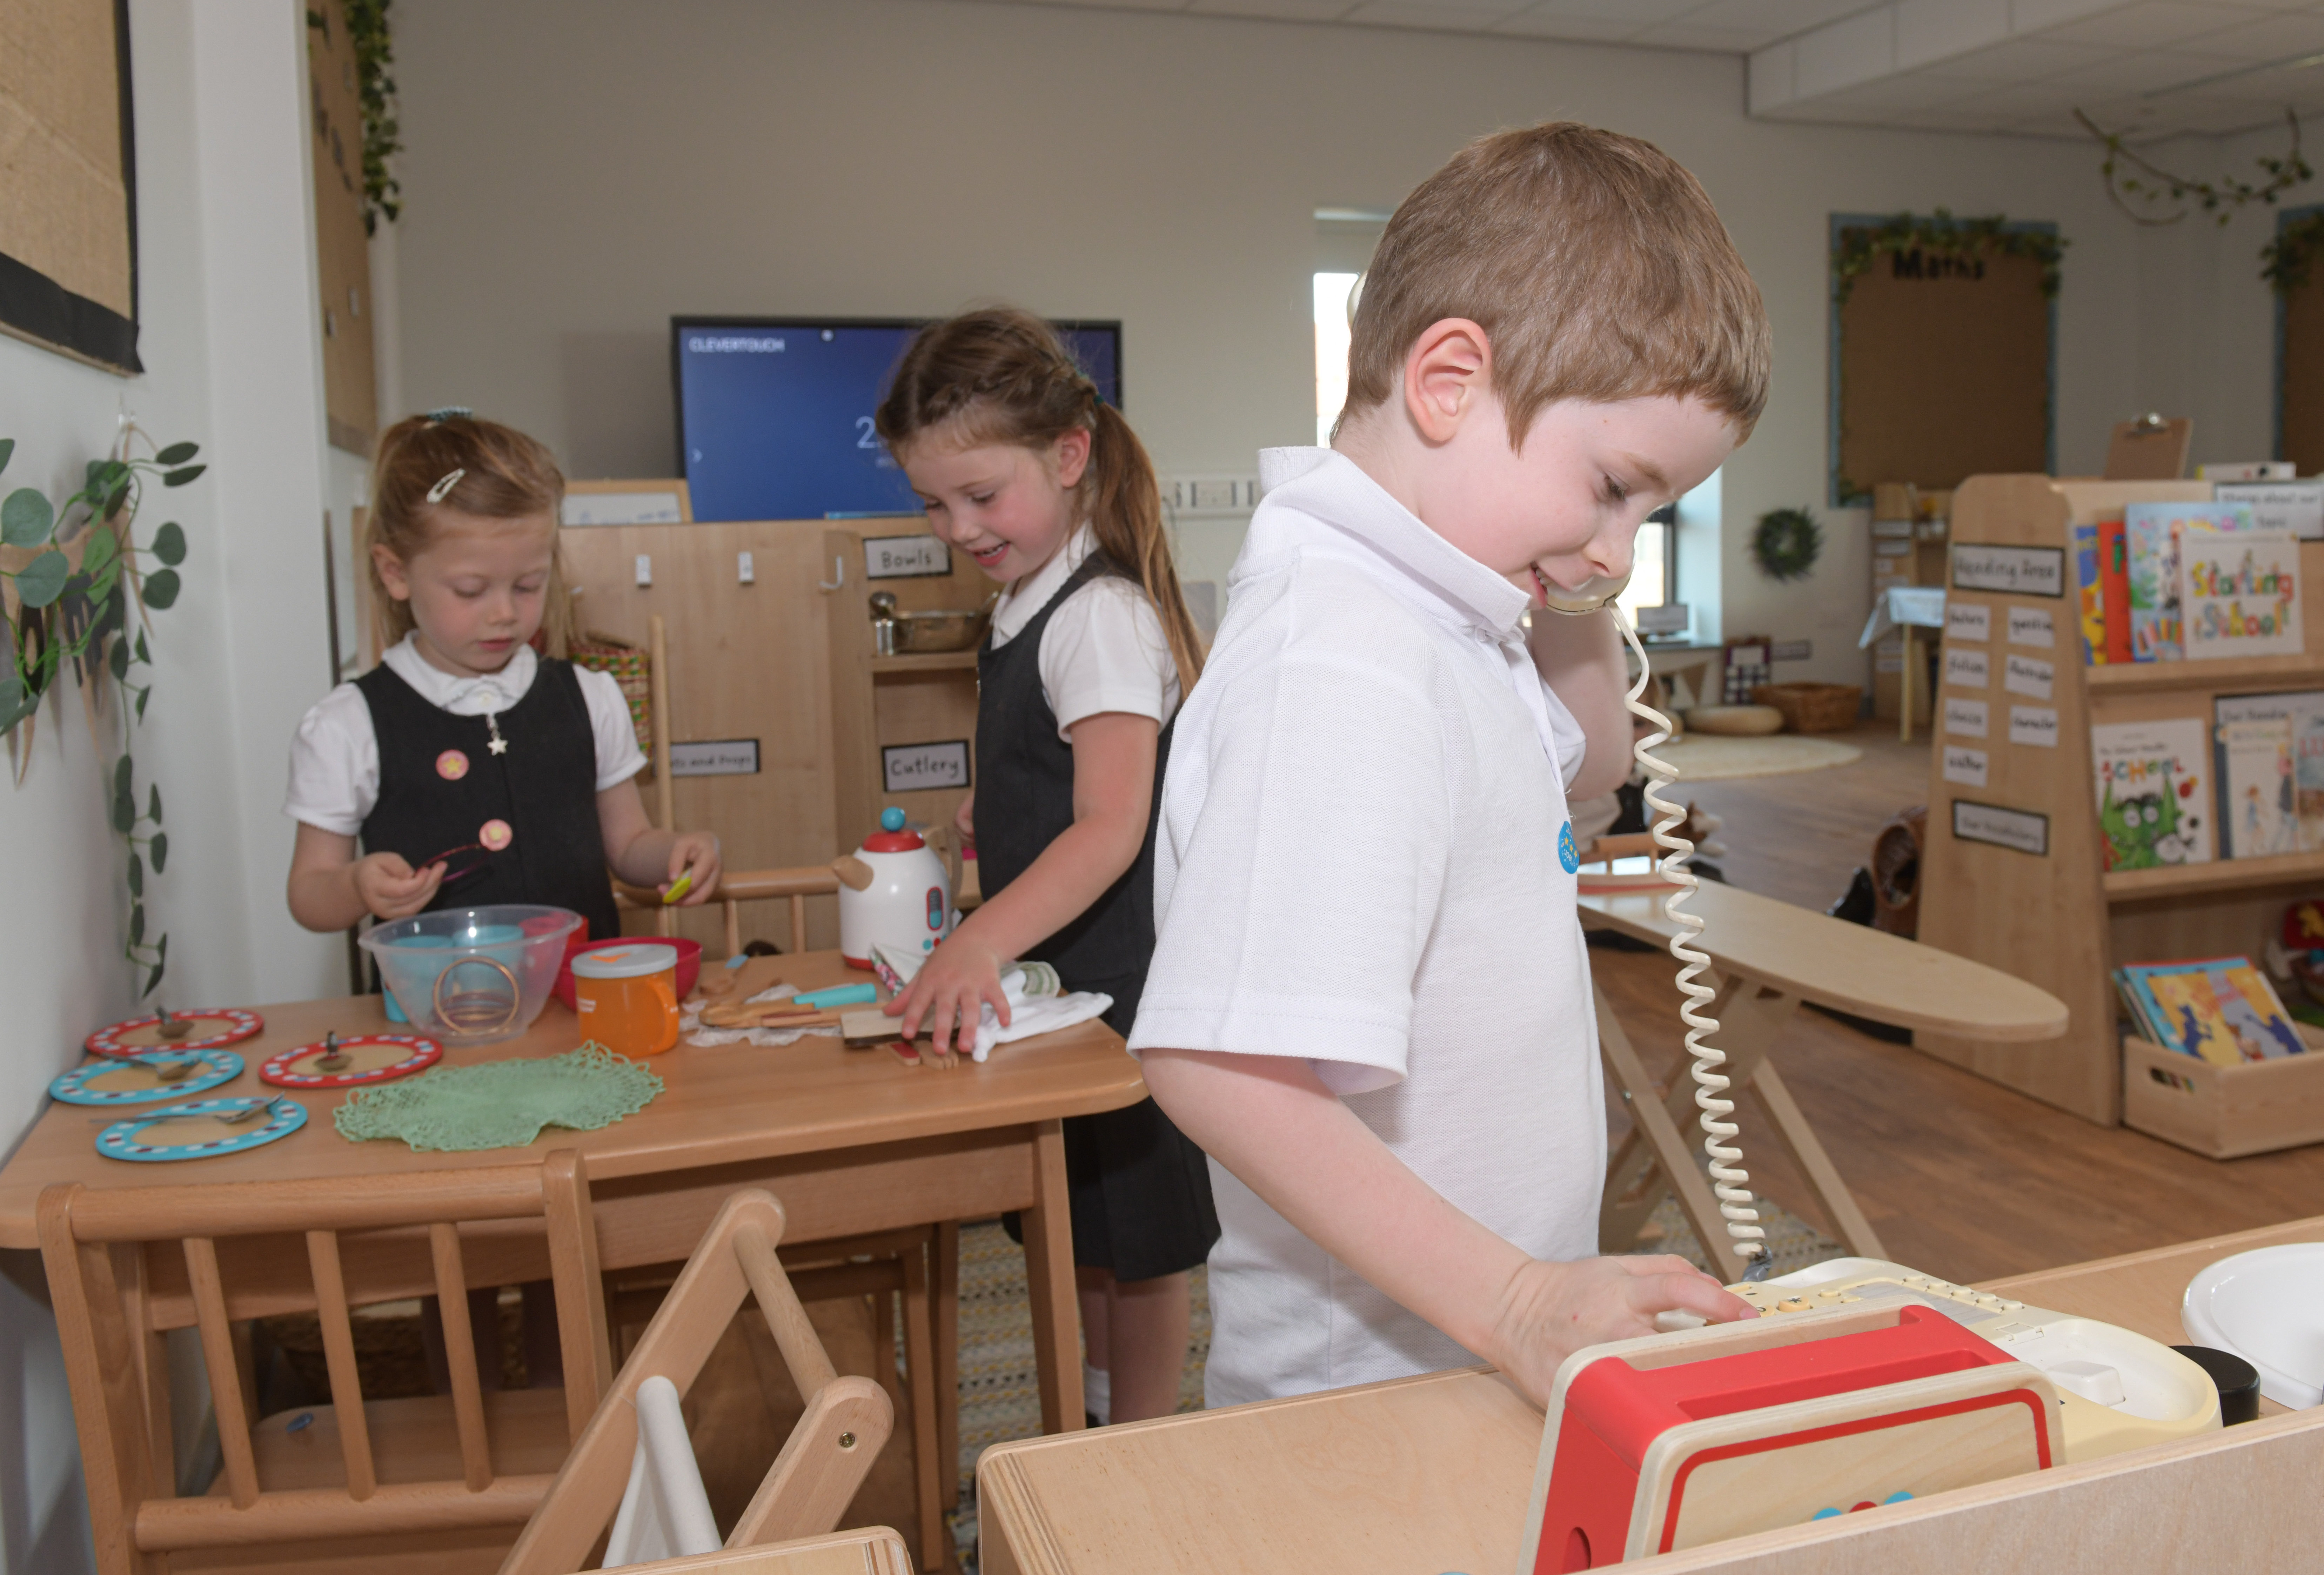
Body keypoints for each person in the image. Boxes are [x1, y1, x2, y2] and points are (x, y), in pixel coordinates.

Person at [1131, 122, 1770, 1410]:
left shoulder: (1441, 610)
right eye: (1610, 487)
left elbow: (1588, 761)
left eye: (1650, 512)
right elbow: (1218, 1065)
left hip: (1456, 1351)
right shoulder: (1346, 662)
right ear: (1446, 382)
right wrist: (1516, 1300)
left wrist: (1571, 567)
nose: (1618, 550)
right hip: (1374, 1382)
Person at [876, 309, 1218, 1425]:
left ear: (1069, 457)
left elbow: (1111, 826)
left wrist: (976, 938)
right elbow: (1068, 770)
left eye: (982, 495)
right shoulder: (1025, 602)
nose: (958, 524)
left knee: (1142, 1242)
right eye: (934, 501)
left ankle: (1143, 1440)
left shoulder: (1102, 614)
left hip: (1125, 984)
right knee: (1083, 1226)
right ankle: (1093, 1414)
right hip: (1067, 984)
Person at [285, 410, 721, 938]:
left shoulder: (589, 696)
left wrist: (678, 852)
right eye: (471, 591)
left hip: (577, 1000)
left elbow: (629, 847)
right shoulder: (349, 724)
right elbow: (309, 893)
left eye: (528, 585)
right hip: (440, 1009)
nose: (504, 614)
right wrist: (355, 885)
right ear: (395, 572)